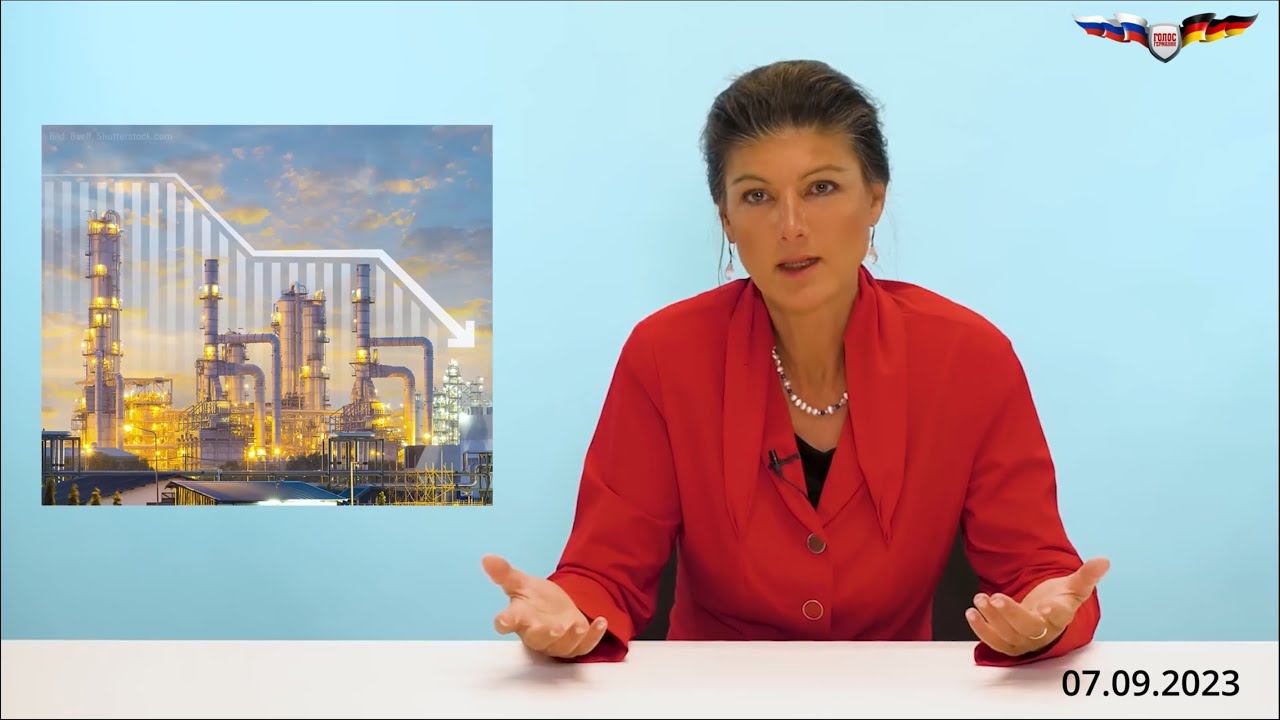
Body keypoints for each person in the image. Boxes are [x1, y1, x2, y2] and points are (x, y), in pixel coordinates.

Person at [483, 59, 1109, 665]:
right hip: (707, 696)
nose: (791, 225)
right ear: (727, 220)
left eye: (821, 188)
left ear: (875, 199)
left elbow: (1038, 574)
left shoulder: (969, 358)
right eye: (757, 196)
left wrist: (1046, 616)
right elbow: (603, 576)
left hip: (896, 697)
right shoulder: (664, 354)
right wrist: (568, 612)